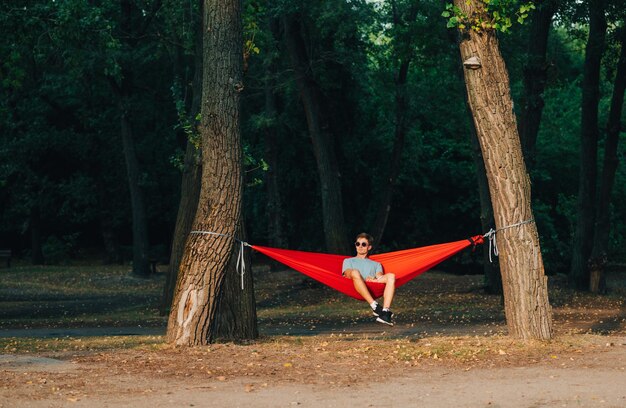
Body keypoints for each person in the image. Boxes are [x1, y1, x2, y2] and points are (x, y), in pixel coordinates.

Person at [342, 233, 396, 326]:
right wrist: (361, 278)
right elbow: (347, 274)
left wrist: (374, 279)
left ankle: (385, 312)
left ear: (369, 247)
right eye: (357, 244)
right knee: (355, 272)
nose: (360, 246)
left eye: (363, 244)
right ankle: (374, 305)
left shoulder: (376, 264)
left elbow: (380, 276)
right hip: (355, 287)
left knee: (391, 276)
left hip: (371, 287)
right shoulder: (348, 261)